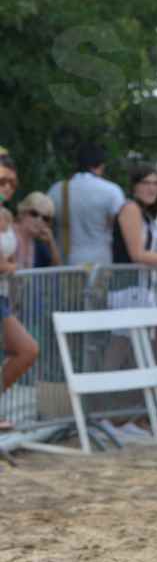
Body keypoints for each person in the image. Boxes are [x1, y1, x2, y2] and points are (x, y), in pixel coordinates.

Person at [0, 155, 40, 417]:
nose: (7, 187)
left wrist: (11, 265)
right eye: (2, 180)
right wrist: (13, 267)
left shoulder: (6, 214)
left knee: (27, 350)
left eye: (13, 183)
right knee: (27, 349)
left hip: (2, 297)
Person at [47, 142, 125, 265]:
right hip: (101, 263)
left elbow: (47, 224)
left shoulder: (56, 189)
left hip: (64, 262)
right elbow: (119, 226)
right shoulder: (112, 191)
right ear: (101, 166)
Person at [13, 192, 61, 268]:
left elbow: (56, 272)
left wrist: (51, 243)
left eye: (45, 218)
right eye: (34, 214)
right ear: (22, 212)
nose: (39, 220)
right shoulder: (6, 233)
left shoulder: (38, 244)